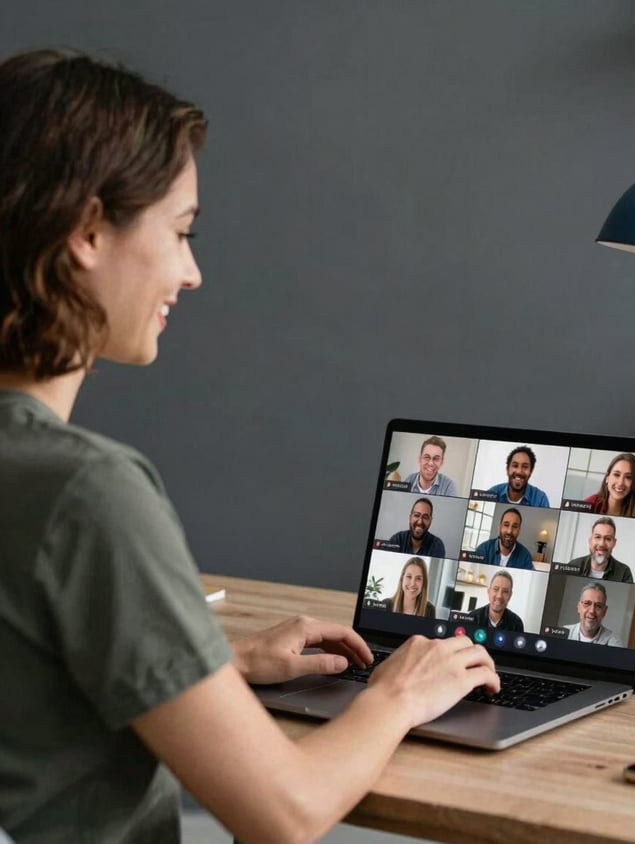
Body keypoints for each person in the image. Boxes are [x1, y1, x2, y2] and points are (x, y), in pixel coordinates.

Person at [0, 49, 499, 844]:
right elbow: (282, 813)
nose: (191, 273)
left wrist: (213, 670)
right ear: (87, 229)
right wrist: (402, 691)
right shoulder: (82, 492)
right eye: (180, 231)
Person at [568, 517, 634, 582]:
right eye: (597, 537)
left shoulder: (624, 573)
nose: (602, 544)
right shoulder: (573, 565)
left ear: (614, 543)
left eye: (608, 538)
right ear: (590, 541)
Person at [584, 453, 635, 519]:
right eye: (616, 475)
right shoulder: (590, 503)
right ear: (607, 478)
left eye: (628, 477)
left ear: (634, 483)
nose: (620, 483)